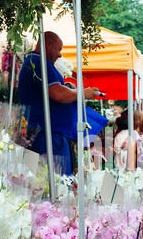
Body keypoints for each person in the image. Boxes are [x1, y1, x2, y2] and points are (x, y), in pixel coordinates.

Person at [18, 31, 98, 175]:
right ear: (48, 45)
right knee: (55, 182)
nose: (60, 55)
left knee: (48, 182)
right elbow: (57, 93)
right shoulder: (39, 62)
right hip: (47, 136)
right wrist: (82, 93)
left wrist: (67, 89)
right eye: (59, 49)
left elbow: (54, 91)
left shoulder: (34, 62)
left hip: (45, 134)